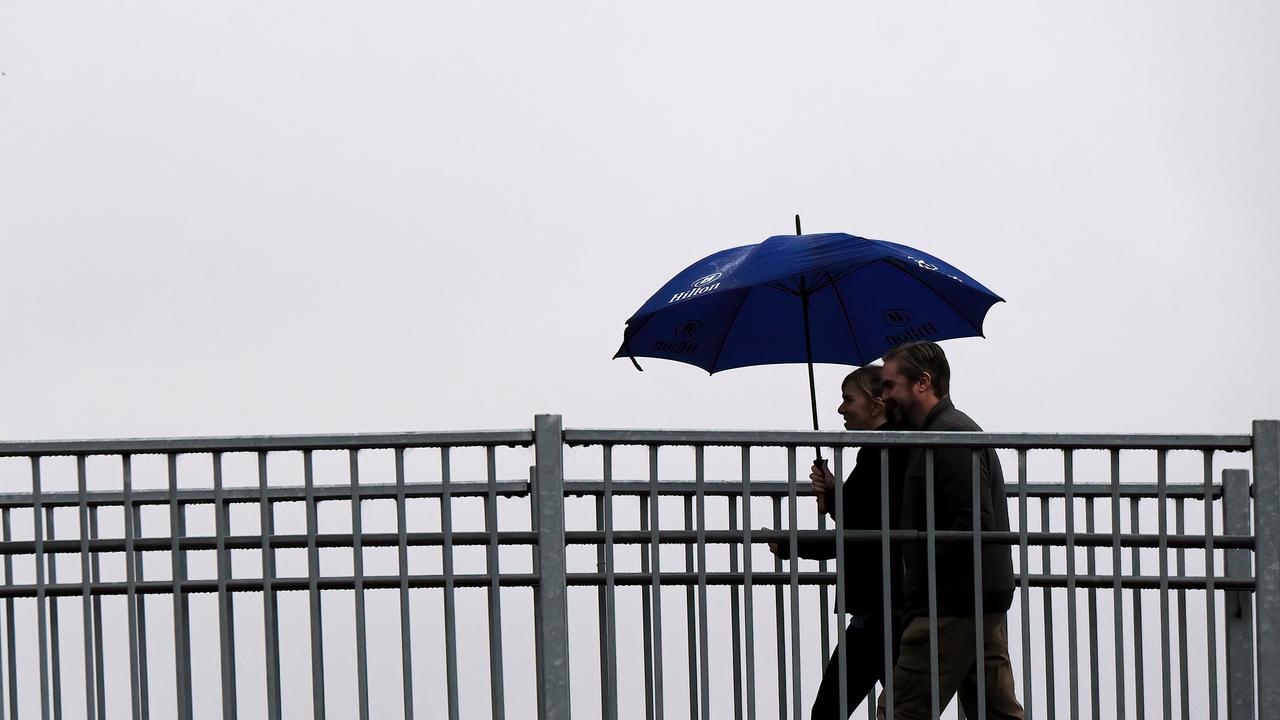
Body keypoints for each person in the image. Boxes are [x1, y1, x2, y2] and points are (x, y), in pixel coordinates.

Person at [876, 342, 1024, 720]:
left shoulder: (950, 435)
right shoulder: (944, 433)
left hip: (948, 603)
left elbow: (972, 521)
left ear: (923, 382)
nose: (883, 395)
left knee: (900, 711)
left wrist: (923, 569)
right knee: (996, 713)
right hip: (974, 598)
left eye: (890, 385)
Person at [766, 365, 909, 719]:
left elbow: (858, 536)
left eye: (849, 399)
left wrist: (790, 544)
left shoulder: (880, 454)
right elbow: (866, 519)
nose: (841, 409)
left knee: (829, 710)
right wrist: (835, 494)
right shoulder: (885, 451)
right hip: (890, 604)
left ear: (877, 404)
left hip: (880, 608)